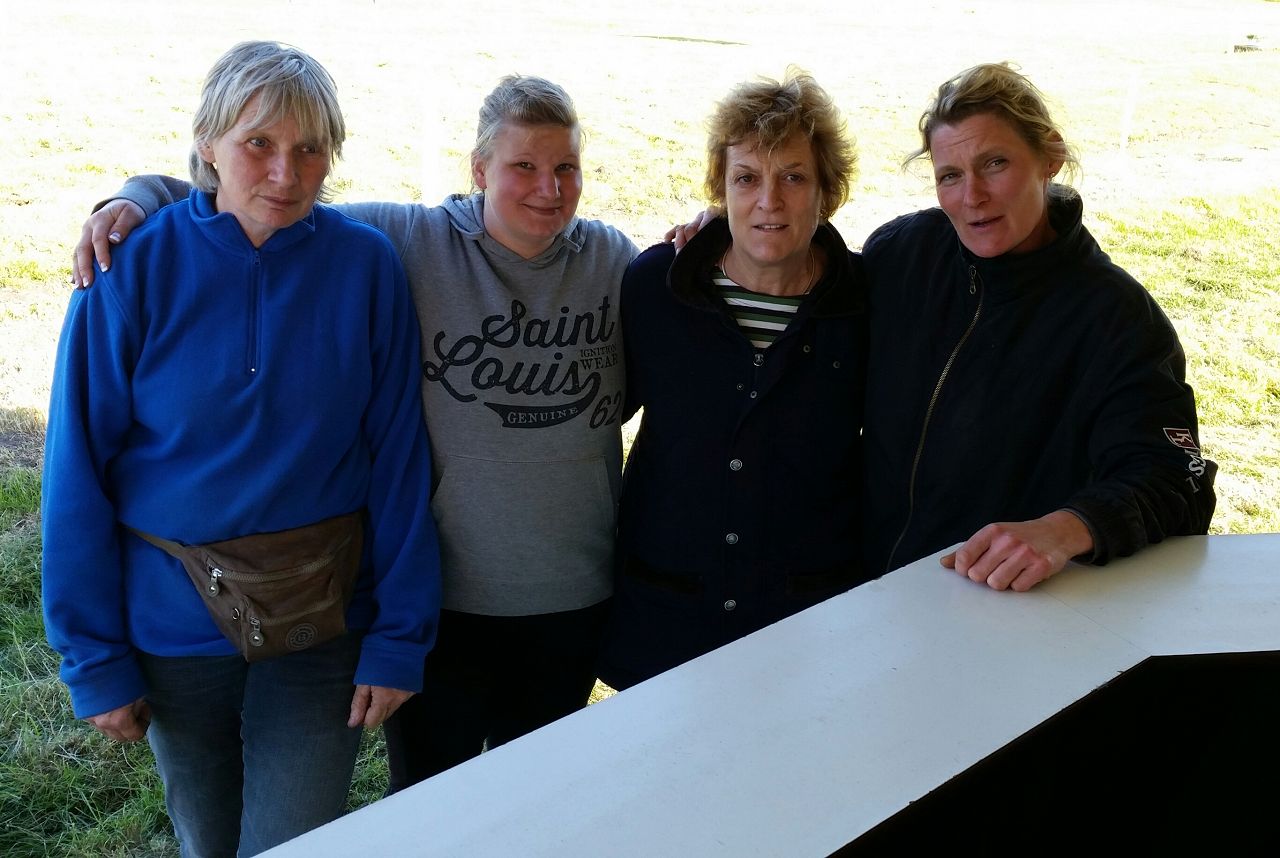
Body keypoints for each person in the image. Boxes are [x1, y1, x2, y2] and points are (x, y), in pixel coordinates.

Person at [72, 75, 638, 790]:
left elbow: (685, 305)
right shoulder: (415, 240)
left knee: (545, 794)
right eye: (523, 165)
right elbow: (258, 202)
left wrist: (708, 228)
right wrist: (140, 196)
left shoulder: (614, 261)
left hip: (575, 589)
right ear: (478, 170)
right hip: (450, 598)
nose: (548, 189)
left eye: (566, 168)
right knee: (432, 798)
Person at [43, 41, 440, 856]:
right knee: (208, 840)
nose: (286, 174)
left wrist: (401, 634)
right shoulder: (130, 269)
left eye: (310, 149)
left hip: (322, 620)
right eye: (258, 143)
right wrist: (93, 657)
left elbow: (400, 456)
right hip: (170, 624)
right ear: (207, 141)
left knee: (294, 841)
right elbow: (76, 469)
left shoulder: (365, 267)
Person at [861, 62, 1216, 589]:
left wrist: (1067, 528)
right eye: (950, 175)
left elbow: (1174, 479)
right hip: (858, 589)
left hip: (992, 596)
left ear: (1050, 157)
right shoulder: (902, 255)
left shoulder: (1116, 318)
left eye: (995, 163)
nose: (972, 196)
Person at [597, 71, 873, 690]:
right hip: (669, 612)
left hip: (803, 618)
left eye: (793, 177)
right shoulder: (657, 286)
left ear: (827, 190)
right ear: (720, 188)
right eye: (746, 178)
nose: (768, 201)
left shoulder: (864, 303)